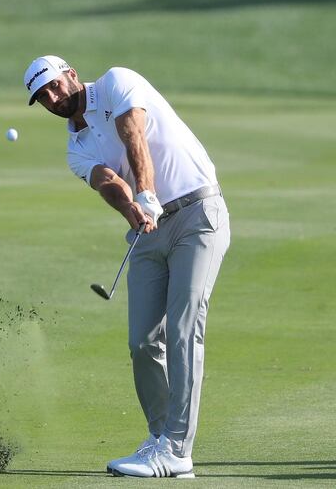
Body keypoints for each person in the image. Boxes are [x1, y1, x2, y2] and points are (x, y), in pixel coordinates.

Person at [23, 55, 230, 478]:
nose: (52, 97)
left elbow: (132, 130)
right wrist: (134, 210)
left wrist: (148, 192)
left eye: (54, 86)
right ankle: (160, 441)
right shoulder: (75, 149)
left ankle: (176, 448)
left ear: (72, 75)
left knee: (183, 327)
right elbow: (108, 181)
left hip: (197, 213)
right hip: (149, 231)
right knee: (142, 341)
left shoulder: (117, 82)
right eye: (42, 97)